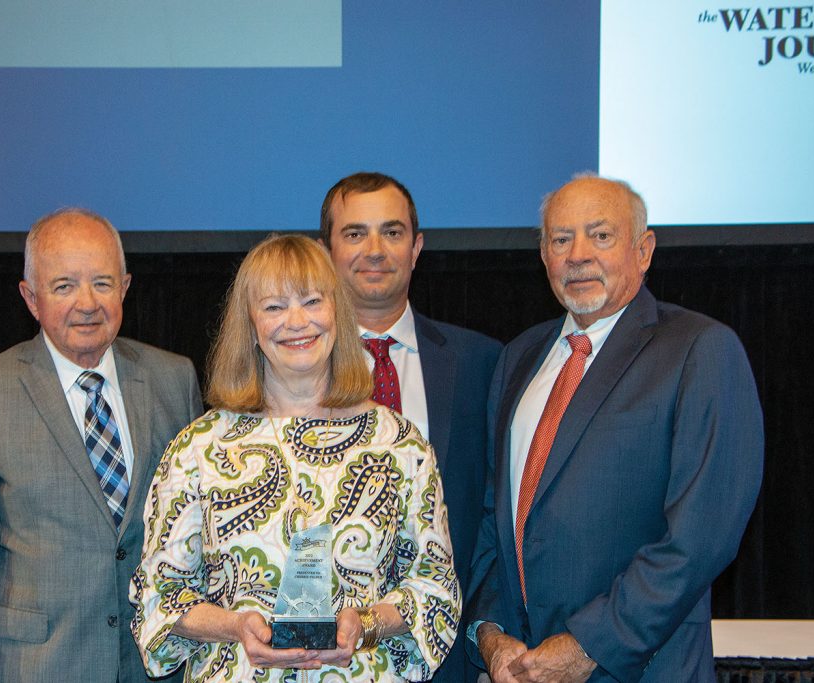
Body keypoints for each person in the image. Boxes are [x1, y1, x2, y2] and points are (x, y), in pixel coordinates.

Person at [466, 174, 764, 682]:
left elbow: (698, 540)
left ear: (643, 250)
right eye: (561, 239)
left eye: (600, 235)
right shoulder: (518, 358)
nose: (578, 254)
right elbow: (495, 519)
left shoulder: (699, 349)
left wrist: (589, 646)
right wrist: (490, 632)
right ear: (543, 255)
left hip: (639, 668)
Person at [131, 234, 459, 682]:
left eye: (311, 301)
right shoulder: (198, 447)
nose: (297, 321)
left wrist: (365, 624)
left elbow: (436, 587)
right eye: (273, 307)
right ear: (250, 325)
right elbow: (159, 593)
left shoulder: (399, 443)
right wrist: (235, 626)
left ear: (337, 313)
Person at [0, 208, 202, 683]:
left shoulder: (173, 379)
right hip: (39, 668)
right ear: (31, 299)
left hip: (157, 668)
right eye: (63, 286)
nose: (86, 303)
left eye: (102, 282)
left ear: (125, 286)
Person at [320, 172, 502, 682]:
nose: (375, 249)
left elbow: (495, 512)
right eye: (355, 233)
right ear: (326, 249)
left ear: (417, 247)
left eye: (393, 232)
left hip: (444, 655)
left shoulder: (482, 364)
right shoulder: (288, 371)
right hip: (324, 657)